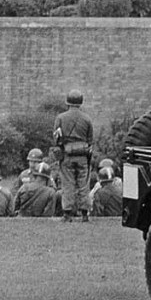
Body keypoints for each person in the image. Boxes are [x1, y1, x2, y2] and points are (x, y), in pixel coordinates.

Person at [52, 91, 100, 221]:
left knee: (68, 184)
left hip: (67, 155)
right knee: (84, 185)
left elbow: (56, 138)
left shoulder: (60, 118)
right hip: (83, 157)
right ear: (80, 102)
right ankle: (84, 214)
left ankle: (67, 214)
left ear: (68, 102)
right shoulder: (87, 119)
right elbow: (90, 140)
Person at [13, 149, 59, 217]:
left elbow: (53, 191)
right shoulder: (23, 174)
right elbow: (16, 191)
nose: (32, 164)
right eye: (31, 161)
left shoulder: (47, 175)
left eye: (35, 162)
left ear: (40, 162)